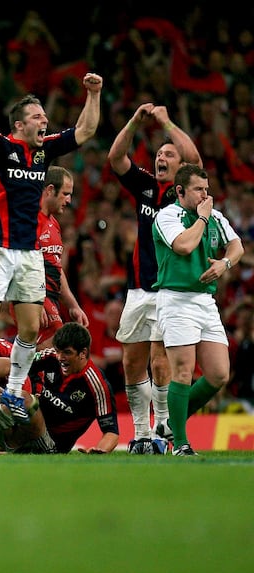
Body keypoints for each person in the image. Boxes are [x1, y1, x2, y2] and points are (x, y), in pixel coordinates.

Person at [0, 66, 102, 424]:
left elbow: (84, 130)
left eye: (45, 116)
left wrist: (94, 95)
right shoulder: (4, 147)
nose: (45, 121)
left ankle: (14, 389)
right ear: (19, 124)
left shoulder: (44, 152)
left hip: (30, 253)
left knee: (30, 329)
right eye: (37, 116)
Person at [108, 103, 202, 454]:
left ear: (180, 168)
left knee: (160, 357)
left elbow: (195, 159)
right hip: (137, 288)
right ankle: (142, 434)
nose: (161, 158)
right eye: (159, 153)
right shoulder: (145, 186)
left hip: (170, 290)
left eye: (168, 154)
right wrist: (133, 121)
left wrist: (165, 122)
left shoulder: (185, 195)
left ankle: (162, 423)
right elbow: (116, 158)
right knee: (132, 360)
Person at [152, 164, 244, 456]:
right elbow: (183, 246)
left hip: (205, 301)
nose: (206, 195)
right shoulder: (167, 216)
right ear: (180, 191)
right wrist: (202, 218)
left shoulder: (215, 217)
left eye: (207, 189)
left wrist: (224, 263)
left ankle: (168, 423)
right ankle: (180, 443)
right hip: (176, 300)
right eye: (198, 190)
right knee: (183, 371)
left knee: (218, 374)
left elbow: (237, 246)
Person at [0, 322, 119, 454]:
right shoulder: (51, 357)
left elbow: (111, 431)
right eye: (58, 351)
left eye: (67, 353)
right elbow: (13, 364)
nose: (61, 357)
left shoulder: (97, 385)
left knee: (23, 399)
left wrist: (100, 450)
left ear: (83, 353)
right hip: (21, 428)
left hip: (49, 445)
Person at [35, 166, 89, 348]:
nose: (69, 200)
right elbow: (19, 264)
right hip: (34, 297)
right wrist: (34, 300)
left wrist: (73, 305)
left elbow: (57, 268)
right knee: (61, 344)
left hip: (52, 298)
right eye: (65, 194)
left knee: (45, 359)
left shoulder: (54, 224)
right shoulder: (30, 221)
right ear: (50, 190)